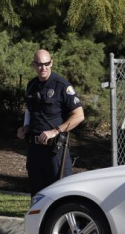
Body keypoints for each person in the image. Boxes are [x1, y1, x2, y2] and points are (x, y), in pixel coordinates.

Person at [17, 49, 85, 197]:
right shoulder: (32, 85)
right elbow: (29, 110)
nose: (44, 68)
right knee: (38, 195)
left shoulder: (61, 85)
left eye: (47, 64)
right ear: (33, 65)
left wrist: (55, 131)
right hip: (35, 149)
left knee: (61, 193)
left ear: (51, 63)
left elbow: (79, 115)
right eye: (40, 64)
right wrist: (25, 127)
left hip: (55, 150)